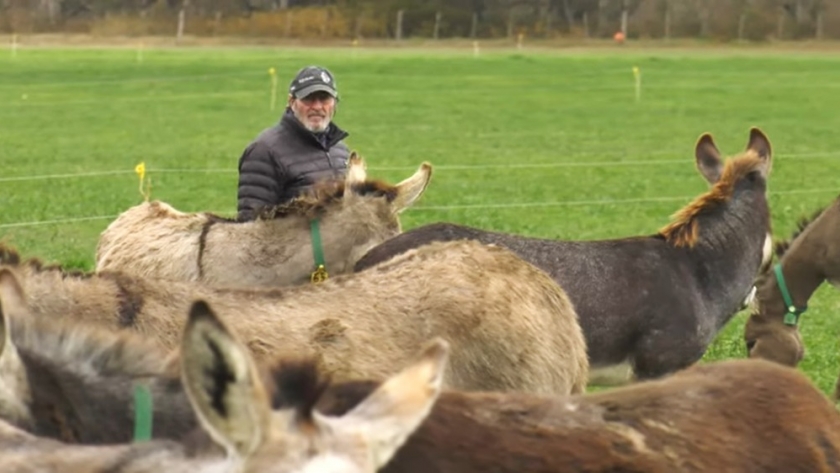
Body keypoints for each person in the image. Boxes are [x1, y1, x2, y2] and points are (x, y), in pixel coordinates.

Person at [236, 65, 351, 221]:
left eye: (324, 99)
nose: (317, 107)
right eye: (309, 98)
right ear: (291, 102)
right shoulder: (264, 151)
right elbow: (250, 228)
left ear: (334, 103)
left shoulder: (340, 151)